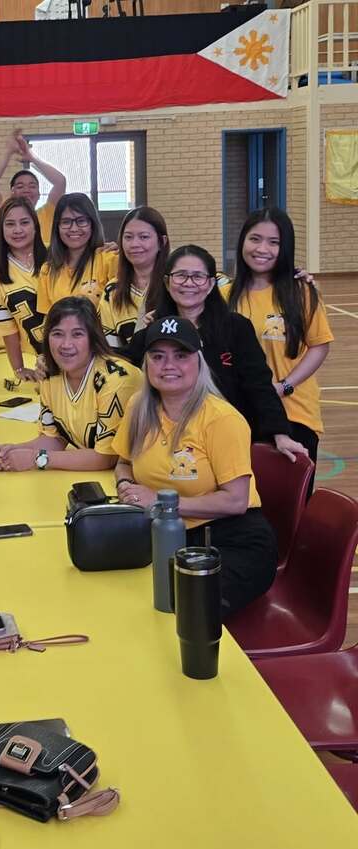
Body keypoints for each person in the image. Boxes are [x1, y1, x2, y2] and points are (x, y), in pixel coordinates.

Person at [113, 317, 277, 615]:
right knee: (122, 594)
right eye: (157, 356)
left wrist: (160, 502)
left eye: (181, 355)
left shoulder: (222, 419)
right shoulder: (139, 407)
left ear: (199, 362)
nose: (168, 365)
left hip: (230, 540)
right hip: (165, 534)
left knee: (184, 606)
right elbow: (124, 462)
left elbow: (236, 501)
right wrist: (126, 486)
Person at [126, 245, 308, 463]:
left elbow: (259, 384)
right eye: (180, 275)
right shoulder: (154, 332)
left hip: (228, 440)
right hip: (170, 443)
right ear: (167, 282)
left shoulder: (236, 327)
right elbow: (124, 366)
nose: (189, 283)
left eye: (198, 276)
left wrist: (280, 433)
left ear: (211, 284)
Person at [226, 207, 333, 467]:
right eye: (255, 239)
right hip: (240, 414)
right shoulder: (224, 295)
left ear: (285, 247)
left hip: (294, 414)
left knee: (290, 492)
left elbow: (319, 346)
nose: (262, 249)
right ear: (242, 241)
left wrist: (284, 386)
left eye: (273, 242)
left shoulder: (301, 292)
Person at [0, 297, 142, 473]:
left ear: (93, 338)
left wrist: (37, 458)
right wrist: (13, 451)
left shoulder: (115, 380)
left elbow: (106, 457)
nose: (66, 344)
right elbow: (55, 438)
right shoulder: (48, 374)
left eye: (77, 334)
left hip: (138, 477)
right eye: (57, 334)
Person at [0, 196, 47, 381]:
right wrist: (18, 368)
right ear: (1, 229)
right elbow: (7, 327)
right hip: (41, 361)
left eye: (24, 222)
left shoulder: (57, 256)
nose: (17, 230)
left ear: (35, 225)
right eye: (10, 224)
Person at [99, 206, 170, 351]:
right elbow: (110, 349)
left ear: (162, 242)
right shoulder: (112, 291)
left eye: (144, 237)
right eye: (128, 237)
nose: (134, 244)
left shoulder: (177, 283)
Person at [36, 193, 119, 316]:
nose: (74, 228)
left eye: (81, 221)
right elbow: (49, 320)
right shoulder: (47, 271)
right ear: (57, 227)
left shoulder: (110, 260)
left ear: (92, 224)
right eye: (66, 222)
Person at [0, 128, 66, 245]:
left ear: (39, 194)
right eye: (20, 186)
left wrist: (31, 157)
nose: (27, 190)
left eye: (32, 186)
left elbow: (60, 182)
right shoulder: (4, 213)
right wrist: (8, 151)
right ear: (12, 192)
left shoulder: (47, 213)